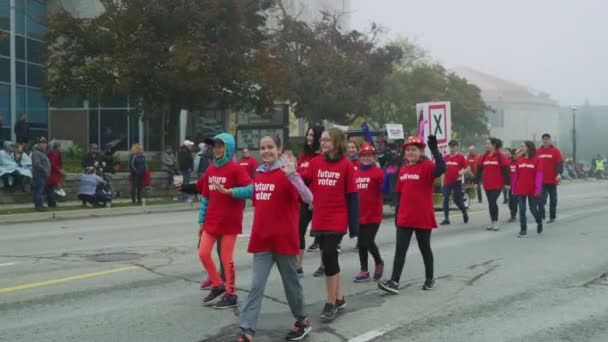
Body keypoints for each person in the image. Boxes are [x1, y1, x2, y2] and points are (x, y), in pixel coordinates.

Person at [237, 136, 313, 342]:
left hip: (284, 241)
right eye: (262, 148)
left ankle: (302, 320)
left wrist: (293, 176)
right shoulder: (259, 174)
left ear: (279, 149)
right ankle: (247, 328)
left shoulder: (288, 172)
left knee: (291, 285)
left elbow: (308, 198)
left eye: (270, 147)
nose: (266, 151)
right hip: (262, 241)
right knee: (256, 285)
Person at [301, 128, 359, 322]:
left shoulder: (346, 165)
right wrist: (292, 174)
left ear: (336, 143)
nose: (323, 143)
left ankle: (330, 302)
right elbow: (303, 182)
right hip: (320, 217)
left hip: (337, 219)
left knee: (328, 256)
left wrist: (354, 226)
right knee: (329, 258)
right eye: (322, 140)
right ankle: (340, 297)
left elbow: (352, 197)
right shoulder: (316, 163)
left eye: (327, 140)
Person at [378, 135, 446, 295]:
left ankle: (430, 279)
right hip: (405, 217)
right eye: (408, 150)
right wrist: (397, 213)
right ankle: (394, 281)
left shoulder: (427, 166)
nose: (410, 152)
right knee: (400, 251)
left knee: (425, 249)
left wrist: (435, 150)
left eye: (413, 150)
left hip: (422, 216)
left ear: (421, 151)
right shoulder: (404, 168)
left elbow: (442, 168)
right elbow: (400, 193)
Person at [197, 133, 253, 309]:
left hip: (229, 222)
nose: (217, 149)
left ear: (228, 148)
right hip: (211, 221)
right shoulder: (211, 170)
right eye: (215, 146)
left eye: (221, 146)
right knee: (203, 253)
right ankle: (217, 284)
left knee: (226, 258)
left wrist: (232, 192)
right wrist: (201, 221)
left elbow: (252, 189)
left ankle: (231, 294)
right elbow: (205, 197)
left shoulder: (235, 169)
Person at [353, 142, 385, 283]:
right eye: (363, 156)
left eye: (369, 156)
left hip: (373, 214)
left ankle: (379, 262)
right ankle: (364, 270)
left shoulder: (378, 172)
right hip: (359, 214)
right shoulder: (356, 172)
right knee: (361, 244)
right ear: (360, 157)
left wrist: (388, 178)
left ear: (374, 157)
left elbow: (385, 190)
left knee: (367, 241)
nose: (366, 158)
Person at [298, 126, 324, 268]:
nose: (309, 137)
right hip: (303, 200)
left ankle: (323, 265)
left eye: (312, 135)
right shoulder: (304, 155)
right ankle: (298, 265)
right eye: (308, 134)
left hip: (318, 201)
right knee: (299, 231)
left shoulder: (321, 157)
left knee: (321, 235)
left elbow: (317, 180)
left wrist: (314, 200)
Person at [474, 138, 510, 231]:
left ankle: (495, 222)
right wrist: (476, 182)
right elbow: (479, 170)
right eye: (486, 144)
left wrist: (507, 183)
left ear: (494, 145)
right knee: (490, 203)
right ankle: (492, 221)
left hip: (498, 184)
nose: (486, 145)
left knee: (493, 202)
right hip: (487, 184)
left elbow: (506, 170)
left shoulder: (500, 156)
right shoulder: (484, 156)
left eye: (488, 144)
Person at [513, 141, 543, 237]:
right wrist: (514, 188)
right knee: (521, 209)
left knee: (533, 209)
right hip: (520, 188)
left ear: (529, 148)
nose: (522, 148)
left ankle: (539, 221)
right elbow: (516, 175)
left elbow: (539, 175)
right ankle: (523, 229)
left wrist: (538, 189)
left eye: (524, 146)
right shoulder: (520, 160)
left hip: (532, 189)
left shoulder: (537, 160)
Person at [440, 140, 470, 226]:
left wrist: (462, 171)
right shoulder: (445, 157)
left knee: (458, 200)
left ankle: (464, 212)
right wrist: (442, 183)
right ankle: (446, 218)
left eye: (454, 146)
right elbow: (443, 171)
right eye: (450, 146)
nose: (452, 148)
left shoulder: (460, 157)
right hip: (447, 182)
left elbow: (468, 168)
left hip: (456, 182)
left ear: (457, 147)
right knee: (445, 199)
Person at [537, 134, 563, 224]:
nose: (546, 141)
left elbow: (559, 163)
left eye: (547, 139)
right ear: (542, 140)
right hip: (541, 180)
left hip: (552, 180)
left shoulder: (555, 151)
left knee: (553, 199)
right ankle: (542, 213)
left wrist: (559, 174)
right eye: (544, 139)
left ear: (550, 140)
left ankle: (552, 217)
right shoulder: (538, 151)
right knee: (541, 199)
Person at [31, 137, 54, 211]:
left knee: (41, 190)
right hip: (39, 175)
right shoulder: (36, 153)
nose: (44, 145)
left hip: (43, 175)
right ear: (38, 144)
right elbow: (37, 164)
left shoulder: (42, 153)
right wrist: (45, 170)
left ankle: (40, 204)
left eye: (45, 143)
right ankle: (38, 206)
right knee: (39, 191)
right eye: (42, 143)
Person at [507, 148, 519, 222]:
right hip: (510, 185)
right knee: (510, 201)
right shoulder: (508, 162)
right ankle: (512, 212)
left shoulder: (520, 162)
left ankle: (513, 215)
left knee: (515, 201)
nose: (515, 156)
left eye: (516, 154)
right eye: (513, 154)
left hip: (518, 185)